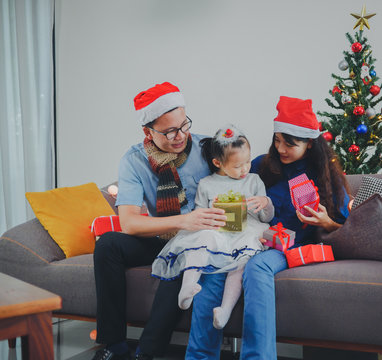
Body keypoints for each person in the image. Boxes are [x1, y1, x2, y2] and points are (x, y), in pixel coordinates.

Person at [185, 96, 351, 359]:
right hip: (249, 236)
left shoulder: (324, 175)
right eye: (277, 140)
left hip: (288, 245)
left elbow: (344, 224)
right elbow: (228, 176)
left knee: (257, 266)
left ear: (309, 144)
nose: (281, 148)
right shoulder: (262, 164)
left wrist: (325, 222)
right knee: (214, 267)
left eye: (290, 144)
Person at [92, 82, 227, 360]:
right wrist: (184, 221)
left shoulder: (207, 149)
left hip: (203, 243)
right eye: (169, 132)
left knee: (182, 258)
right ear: (147, 132)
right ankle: (114, 346)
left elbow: (245, 168)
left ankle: (145, 353)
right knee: (108, 244)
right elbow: (129, 223)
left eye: (184, 125)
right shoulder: (134, 161)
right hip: (165, 236)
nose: (180, 136)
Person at [151, 124, 274, 330]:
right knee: (202, 240)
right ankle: (187, 287)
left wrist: (265, 203)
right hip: (218, 231)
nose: (244, 169)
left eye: (247, 162)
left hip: (246, 232)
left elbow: (266, 217)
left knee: (242, 262)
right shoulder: (207, 184)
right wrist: (214, 212)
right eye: (237, 166)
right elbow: (200, 216)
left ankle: (225, 309)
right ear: (218, 162)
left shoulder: (254, 180)